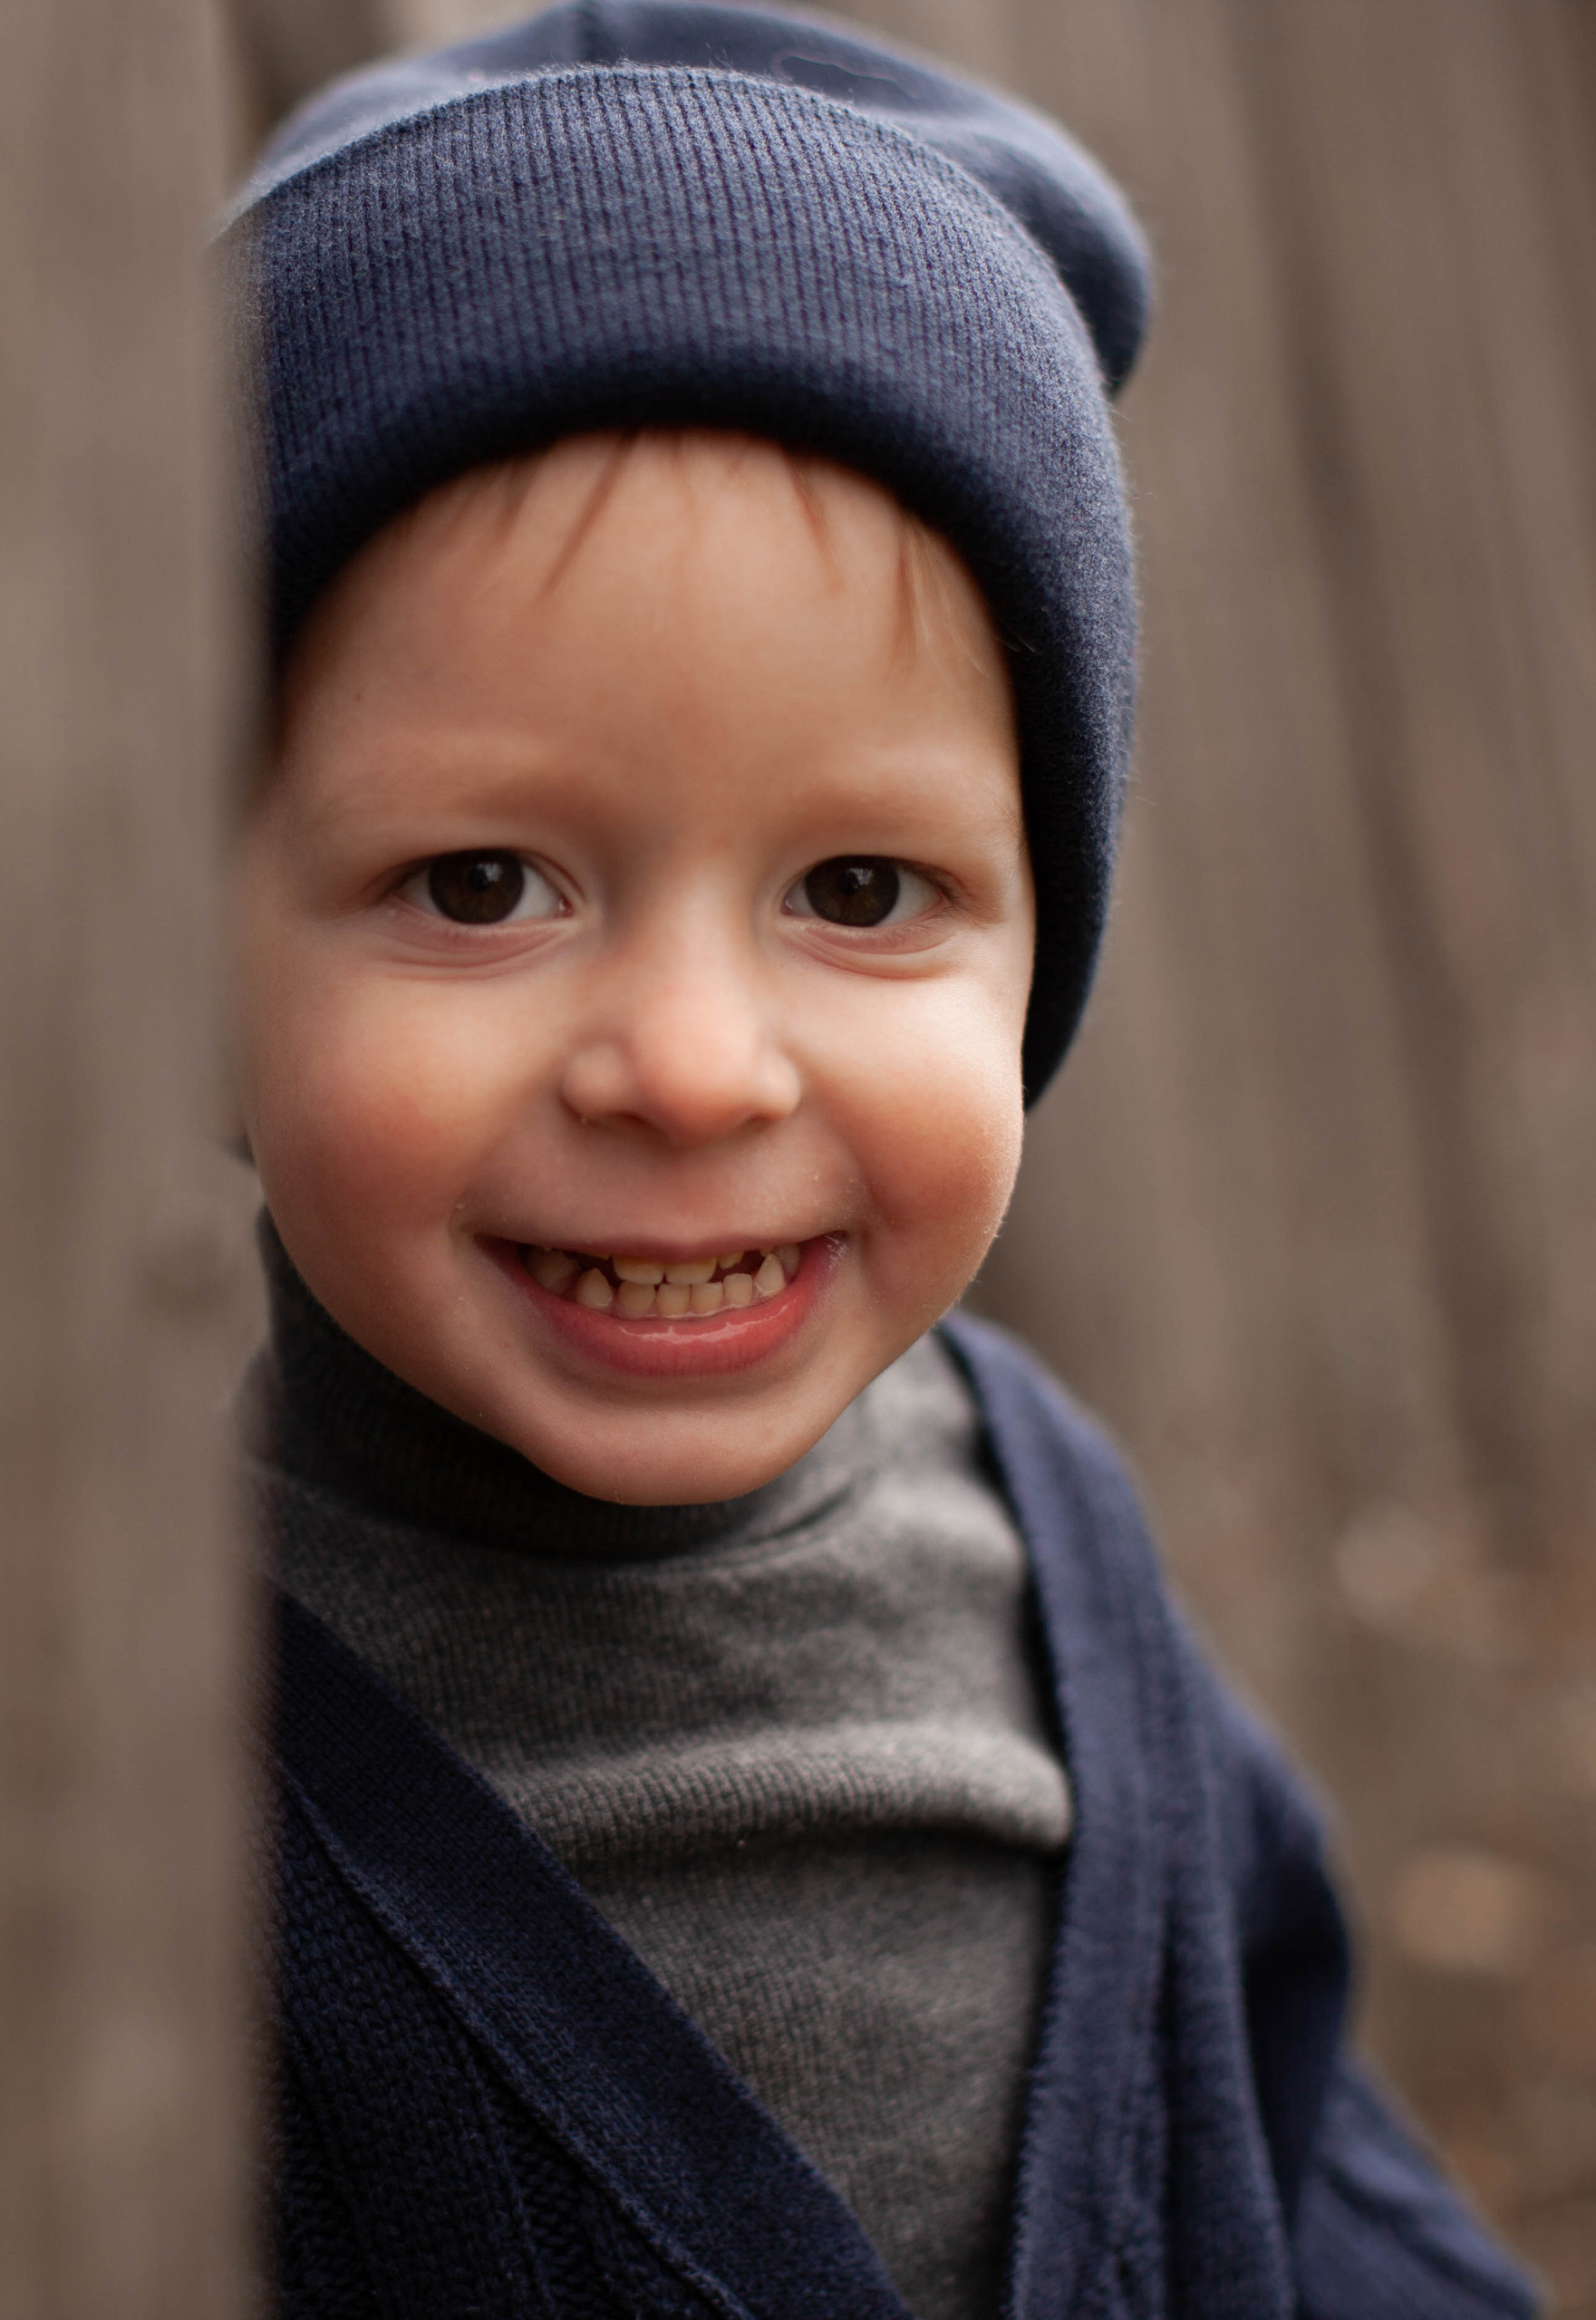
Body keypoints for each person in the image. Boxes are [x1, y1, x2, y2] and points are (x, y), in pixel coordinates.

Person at [222, 5, 1539, 2314]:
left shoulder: (1056, 1554)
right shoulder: (120, 1728)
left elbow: (1314, 2169)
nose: (694, 1069)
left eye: (856, 894)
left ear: (1039, 943)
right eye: (477, 883)